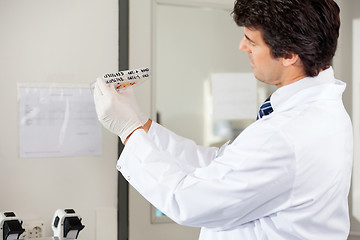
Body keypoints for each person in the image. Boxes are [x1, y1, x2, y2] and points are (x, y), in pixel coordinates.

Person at [93, 0, 353, 239]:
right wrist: (142, 125)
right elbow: (220, 166)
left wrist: (129, 131)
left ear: (288, 54)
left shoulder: (287, 135)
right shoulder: (319, 112)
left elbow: (189, 201)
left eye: (251, 41)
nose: (242, 47)